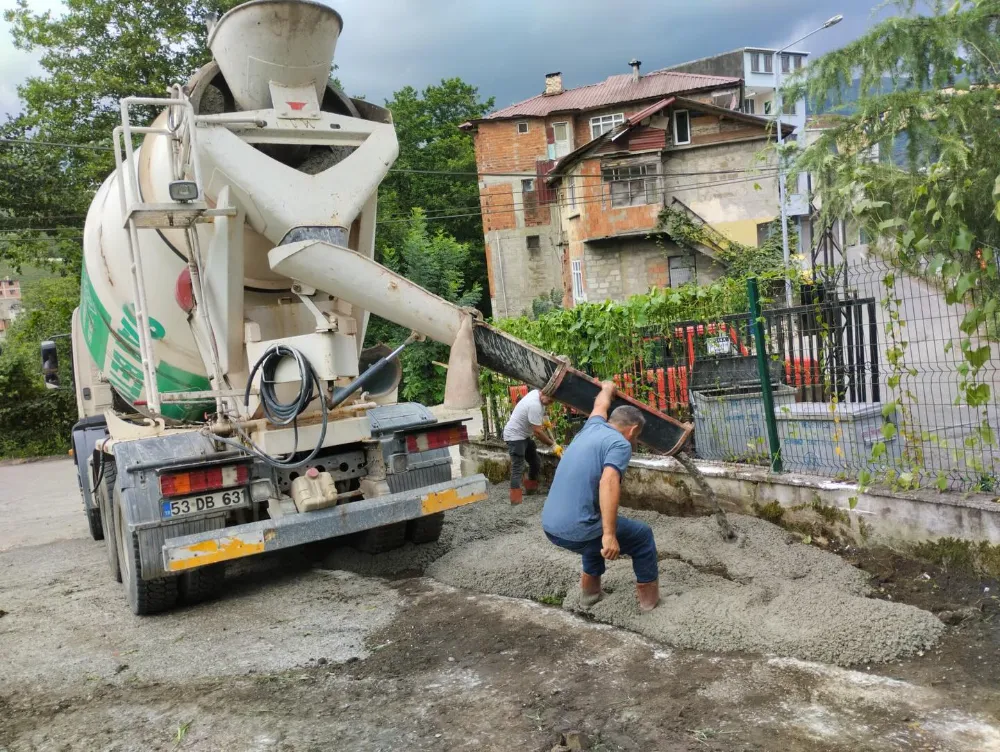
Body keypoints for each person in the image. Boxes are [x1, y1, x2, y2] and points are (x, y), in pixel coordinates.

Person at [541, 381, 659, 612]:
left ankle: (590, 594)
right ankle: (649, 603)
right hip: (576, 530)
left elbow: (600, 405)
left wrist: (607, 388)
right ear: (633, 430)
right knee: (642, 536)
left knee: (592, 525)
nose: (634, 442)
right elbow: (608, 482)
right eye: (637, 437)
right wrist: (609, 535)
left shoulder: (592, 426)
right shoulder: (620, 444)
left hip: (550, 525)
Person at [503, 388, 561, 505]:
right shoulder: (534, 405)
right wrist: (553, 445)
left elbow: (542, 411)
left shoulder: (537, 394)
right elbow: (538, 432)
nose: (550, 404)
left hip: (524, 435)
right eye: (550, 401)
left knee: (535, 461)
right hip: (515, 436)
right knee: (518, 467)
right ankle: (515, 500)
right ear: (544, 393)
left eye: (552, 402)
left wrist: (545, 420)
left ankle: (531, 489)